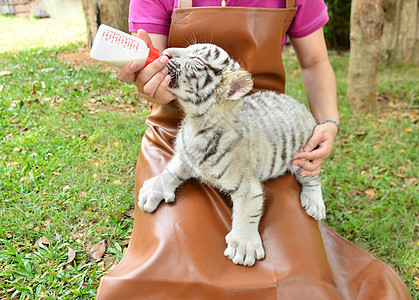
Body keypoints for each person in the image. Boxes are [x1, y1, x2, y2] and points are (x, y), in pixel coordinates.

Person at [96, 1, 411, 299]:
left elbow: (315, 60)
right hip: (177, 130)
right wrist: (151, 82)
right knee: (167, 274)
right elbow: (160, 64)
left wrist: (327, 122)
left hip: (263, 135)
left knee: (296, 281)